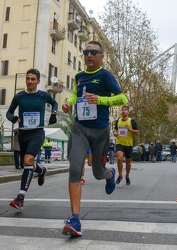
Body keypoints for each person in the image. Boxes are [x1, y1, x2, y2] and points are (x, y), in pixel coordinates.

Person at [61, 41, 127, 236]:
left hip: (100, 131)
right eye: (86, 52)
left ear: (101, 56)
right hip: (80, 128)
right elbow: (75, 94)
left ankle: (110, 174)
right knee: (74, 168)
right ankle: (75, 219)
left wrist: (101, 100)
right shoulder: (79, 77)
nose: (89, 55)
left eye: (93, 52)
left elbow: (122, 99)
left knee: (98, 173)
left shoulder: (105, 75)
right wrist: (68, 103)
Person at [6, 68, 58, 210]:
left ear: (38, 81)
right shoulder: (19, 96)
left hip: (37, 133)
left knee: (28, 160)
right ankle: (41, 171)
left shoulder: (43, 95)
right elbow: (9, 112)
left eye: (33, 79)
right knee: (26, 164)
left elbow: (55, 103)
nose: (30, 81)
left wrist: (54, 114)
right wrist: (13, 118)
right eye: (28, 79)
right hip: (23, 133)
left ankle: (20, 198)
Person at [114, 105, 139, 185]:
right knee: (119, 158)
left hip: (128, 144)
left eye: (125, 110)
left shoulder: (132, 121)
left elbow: (137, 132)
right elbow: (115, 129)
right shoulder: (118, 121)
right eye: (122, 110)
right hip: (119, 143)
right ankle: (120, 175)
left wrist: (130, 129)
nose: (123, 111)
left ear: (128, 112)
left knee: (128, 162)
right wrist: (115, 132)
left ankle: (127, 175)